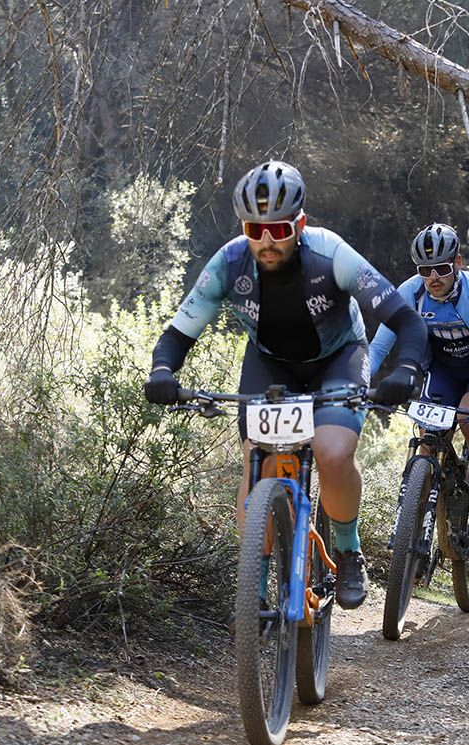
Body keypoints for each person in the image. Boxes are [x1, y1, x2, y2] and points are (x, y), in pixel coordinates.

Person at [143, 160, 428, 609]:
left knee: (332, 452)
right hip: (271, 364)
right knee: (256, 459)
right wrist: (163, 372)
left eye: (278, 229)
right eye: (255, 229)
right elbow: (179, 333)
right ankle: (251, 585)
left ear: (300, 223)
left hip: (338, 358)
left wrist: (405, 370)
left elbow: (406, 319)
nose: (267, 241)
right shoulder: (229, 262)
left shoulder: (331, 253)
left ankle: (348, 550)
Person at [369, 223, 469, 530]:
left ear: (457, 263)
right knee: (429, 438)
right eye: (425, 269)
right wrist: (358, 383)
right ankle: (414, 531)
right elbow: (379, 346)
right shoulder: (410, 293)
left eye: (442, 268)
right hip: (443, 370)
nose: (433, 277)